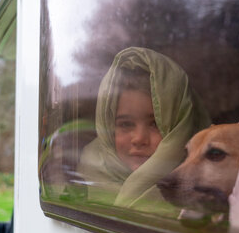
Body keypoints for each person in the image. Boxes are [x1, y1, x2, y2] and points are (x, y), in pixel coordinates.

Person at [77, 47, 210, 216]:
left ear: (180, 127)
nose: (139, 139)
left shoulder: (204, 190)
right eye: (125, 124)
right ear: (108, 130)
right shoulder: (89, 169)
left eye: (155, 124)